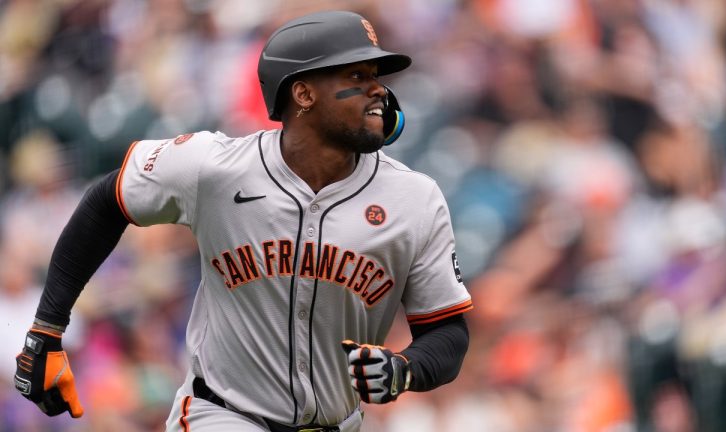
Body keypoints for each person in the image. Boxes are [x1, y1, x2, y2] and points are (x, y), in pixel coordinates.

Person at [13, 10, 473, 432]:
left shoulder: (414, 198)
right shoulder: (215, 167)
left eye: (377, 76)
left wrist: (405, 370)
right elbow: (106, 200)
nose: (379, 90)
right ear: (304, 93)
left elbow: (447, 332)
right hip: (223, 415)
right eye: (357, 75)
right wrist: (46, 331)